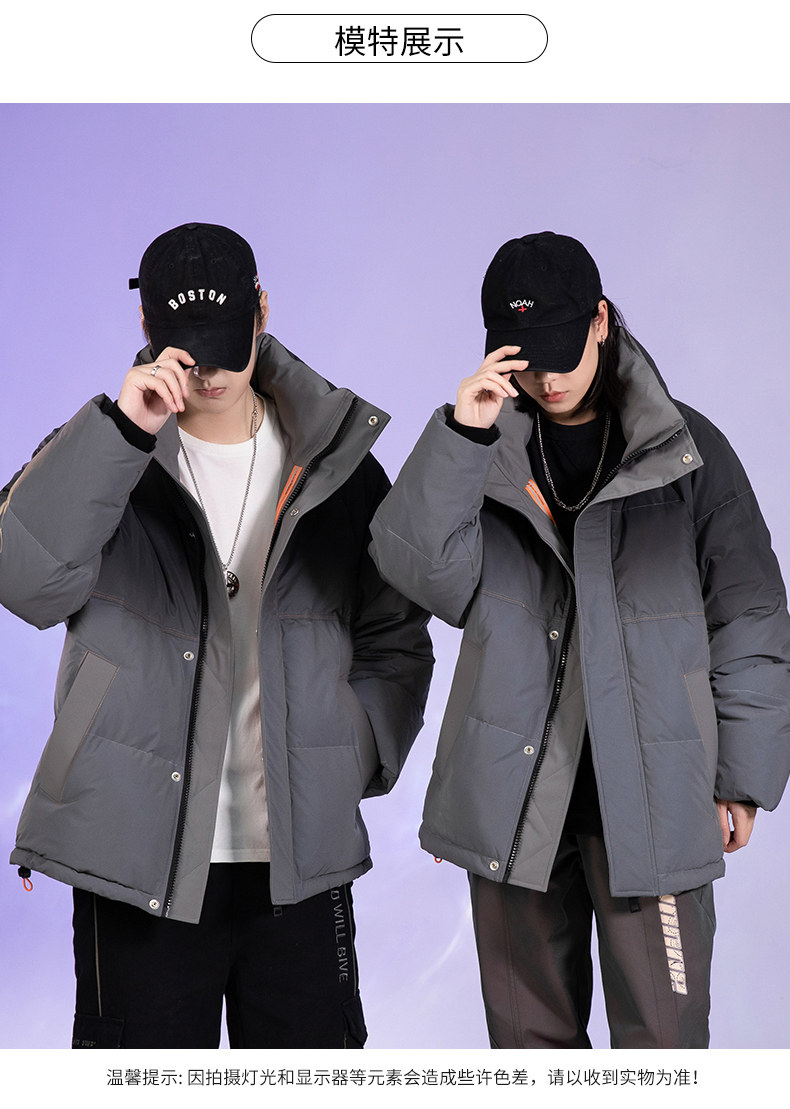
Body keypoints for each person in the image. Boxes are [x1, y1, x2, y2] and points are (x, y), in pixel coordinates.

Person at [0, 222, 432, 1049]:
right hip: (137, 861)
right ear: (146, 328)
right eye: (188, 349)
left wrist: (351, 752)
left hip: (298, 868)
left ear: (263, 311)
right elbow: (24, 581)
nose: (208, 373)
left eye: (226, 344)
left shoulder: (336, 465)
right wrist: (122, 432)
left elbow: (396, 631)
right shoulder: (98, 456)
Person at [369, 231, 790, 1048]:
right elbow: (417, 573)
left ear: (600, 321)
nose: (547, 377)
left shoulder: (689, 452)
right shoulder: (479, 453)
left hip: (656, 805)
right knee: (530, 1060)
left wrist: (743, 777)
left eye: (562, 350)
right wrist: (461, 437)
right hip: (513, 805)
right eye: (526, 358)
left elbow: (751, 616)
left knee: (662, 1055)